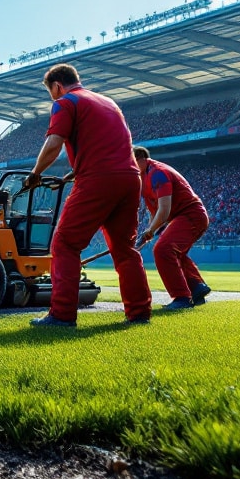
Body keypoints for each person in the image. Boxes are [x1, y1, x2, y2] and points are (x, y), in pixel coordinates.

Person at [26, 64, 153, 327]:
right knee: (124, 248)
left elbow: (54, 144)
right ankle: (140, 313)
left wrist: (36, 172)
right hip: (130, 178)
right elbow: (108, 144)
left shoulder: (65, 101)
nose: (52, 96)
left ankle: (61, 315)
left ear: (57, 85)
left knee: (65, 244)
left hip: (98, 178)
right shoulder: (108, 102)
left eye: (50, 91)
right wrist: (75, 171)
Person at [133, 146, 211, 310]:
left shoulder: (158, 173)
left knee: (163, 249)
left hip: (190, 215)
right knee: (174, 252)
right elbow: (154, 211)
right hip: (181, 217)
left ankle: (181, 297)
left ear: (140, 158)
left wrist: (151, 231)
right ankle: (197, 287)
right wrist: (149, 230)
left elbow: (164, 209)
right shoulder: (144, 177)